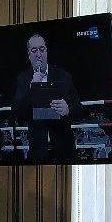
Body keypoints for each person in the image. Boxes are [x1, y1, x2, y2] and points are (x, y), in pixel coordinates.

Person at [12, 33, 81, 163]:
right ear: (29, 54)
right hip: (38, 151)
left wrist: (68, 109)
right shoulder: (23, 79)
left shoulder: (63, 76)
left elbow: (79, 109)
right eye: (34, 50)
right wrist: (33, 87)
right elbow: (18, 112)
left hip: (64, 150)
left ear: (46, 51)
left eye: (42, 49)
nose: (38, 54)